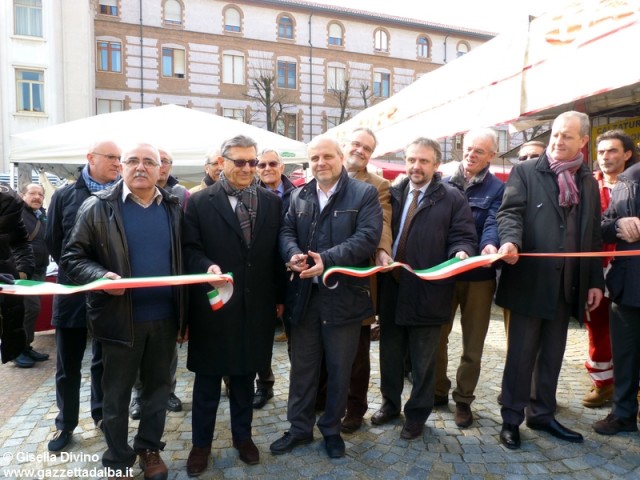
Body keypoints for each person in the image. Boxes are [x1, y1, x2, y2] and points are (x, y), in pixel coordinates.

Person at [61, 143, 184, 480]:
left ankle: (149, 448)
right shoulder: (97, 207)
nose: (140, 167)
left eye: (149, 162)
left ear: (162, 170)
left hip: (164, 317)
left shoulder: (173, 207)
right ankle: (117, 456)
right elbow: (72, 258)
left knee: (158, 390)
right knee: (115, 394)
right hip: (117, 319)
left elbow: (186, 256)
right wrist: (100, 276)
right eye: (132, 161)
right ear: (122, 167)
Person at [496, 111, 604, 450]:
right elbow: (510, 212)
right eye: (556, 134)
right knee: (521, 357)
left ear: (583, 142)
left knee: (552, 356)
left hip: (567, 283)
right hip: (530, 281)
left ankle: (541, 413)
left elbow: (593, 236)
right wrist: (510, 241)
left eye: (567, 136)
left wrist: (595, 282)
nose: (558, 141)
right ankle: (511, 419)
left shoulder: (587, 181)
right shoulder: (526, 171)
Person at [270, 135, 382, 459]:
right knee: (303, 368)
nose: (321, 163)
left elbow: (367, 237)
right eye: (314, 158)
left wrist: (326, 259)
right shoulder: (298, 195)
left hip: (344, 297)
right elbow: (286, 231)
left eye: (327, 156)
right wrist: (291, 255)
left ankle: (332, 430)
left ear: (341, 157)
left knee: (339, 368)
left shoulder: (364, 193)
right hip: (304, 297)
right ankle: (299, 428)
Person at [183, 135, 283, 475]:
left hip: (256, 306)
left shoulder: (271, 202)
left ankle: (243, 437)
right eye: (239, 162)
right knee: (208, 380)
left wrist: (280, 299)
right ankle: (201, 444)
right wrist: (205, 265)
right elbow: (190, 249)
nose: (246, 168)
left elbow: (273, 255)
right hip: (214, 305)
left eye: (252, 162)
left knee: (244, 377)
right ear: (222, 162)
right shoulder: (199, 202)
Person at [371, 137, 476, 441]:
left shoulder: (452, 197)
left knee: (423, 361)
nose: (416, 167)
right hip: (393, 288)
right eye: (412, 160)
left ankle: (417, 414)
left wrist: (461, 251)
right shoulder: (394, 193)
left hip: (430, 290)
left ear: (436, 164)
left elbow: (465, 235)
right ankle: (390, 405)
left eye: (424, 161)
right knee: (390, 355)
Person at [44, 140, 121, 452]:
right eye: (112, 157)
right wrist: (81, 272)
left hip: (108, 293)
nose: (118, 163)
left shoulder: (120, 195)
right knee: (68, 365)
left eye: (120, 158)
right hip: (73, 293)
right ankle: (66, 423)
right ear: (91, 158)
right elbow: (54, 241)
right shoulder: (65, 195)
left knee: (103, 361)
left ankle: (101, 415)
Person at [435, 128, 504, 427]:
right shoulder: (442, 181)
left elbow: (493, 222)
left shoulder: (497, 189)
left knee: (473, 345)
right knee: (436, 337)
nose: (471, 154)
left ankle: (463, 400)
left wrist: (489, 245)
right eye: (468, 149)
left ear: (492, 155)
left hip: (478, 276)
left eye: (479, 151)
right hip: (445, 272)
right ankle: (437, 391)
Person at [338, 128, 392, 434]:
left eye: (367, 148)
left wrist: (383, 249)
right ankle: (323, 399)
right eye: (356, 144)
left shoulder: (379, 185)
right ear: (346, 145)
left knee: (358, 352)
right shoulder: (321, 173)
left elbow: (383, 220)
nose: (360, 150)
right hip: (324, 278)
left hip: (358, 279)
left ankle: (355, 408)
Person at [129, 147, 187, 420]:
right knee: (133, 362)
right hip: (127, 306)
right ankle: (137, 398)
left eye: (160, 162)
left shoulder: (176, 202)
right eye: (134, 161)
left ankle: (167, 393)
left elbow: (184, 249)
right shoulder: (106, 205)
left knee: (166, 359)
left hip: (166, 304)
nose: (154, 167)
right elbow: (73, 252)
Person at [582, 130, 635, 409]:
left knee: (632, 329)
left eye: (612, 151)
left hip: (631, 271)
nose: (605, 157)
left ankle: (633, 388)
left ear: (627, 154)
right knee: (598, 327)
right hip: (597, 269)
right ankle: (604, 383)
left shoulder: (635, 185)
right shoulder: (587, 185)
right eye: (601, 152)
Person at [593, 155, 640, 435]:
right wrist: (617, 226)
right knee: (624, 355)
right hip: (628, 285)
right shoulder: (629, 178)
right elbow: (603, 226)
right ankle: (622, 414)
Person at [251, 148, 297, 410]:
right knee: (261, 335)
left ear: (282, 167)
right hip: (262, 274)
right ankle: (264, 384)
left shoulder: (299, 194)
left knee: (297, 338)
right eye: (261, 164)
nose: (266, 168)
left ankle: (300, 389)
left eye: (272, 163)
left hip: (292, 274)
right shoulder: (250, 195)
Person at [13, 183, 50, 368]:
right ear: (23, 195)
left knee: (30, 309)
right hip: (23, 271)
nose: (37, 197)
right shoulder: (16, 213)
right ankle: (16, 350)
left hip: (39, 269)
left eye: (40, 194)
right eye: (32, 193)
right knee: (28, 308)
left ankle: (25, 346)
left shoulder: (40, 215)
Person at [0, 184, 35, 365]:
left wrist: (23, 270)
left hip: (6, 296)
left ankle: (22, 349)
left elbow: (21, 241)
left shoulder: (8, 201)